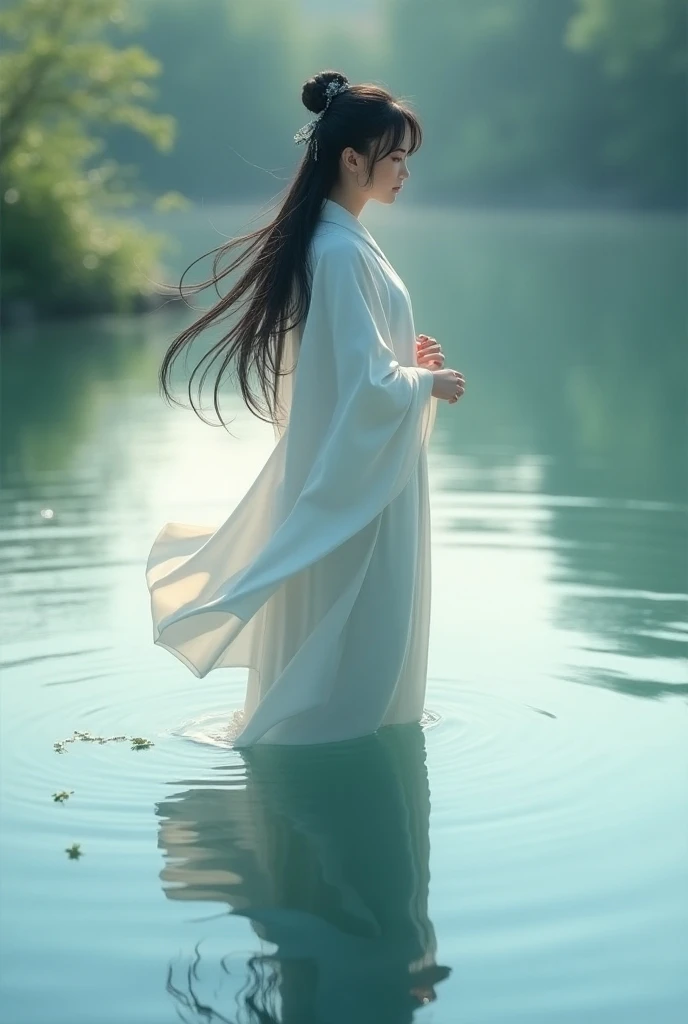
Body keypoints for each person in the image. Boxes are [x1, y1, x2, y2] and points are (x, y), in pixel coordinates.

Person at [145, 70, 466, 747]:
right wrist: (422, 385)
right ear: (353, 160)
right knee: (361, 626)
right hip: (363, 485)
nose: (406, 170)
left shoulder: (337, 240)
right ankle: (320, 747)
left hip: (355, 464)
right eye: (397, 156)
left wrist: (405, 361)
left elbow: (349, 363)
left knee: (347, 622)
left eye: (408, 156)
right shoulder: (340, 250)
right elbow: (362, 384)